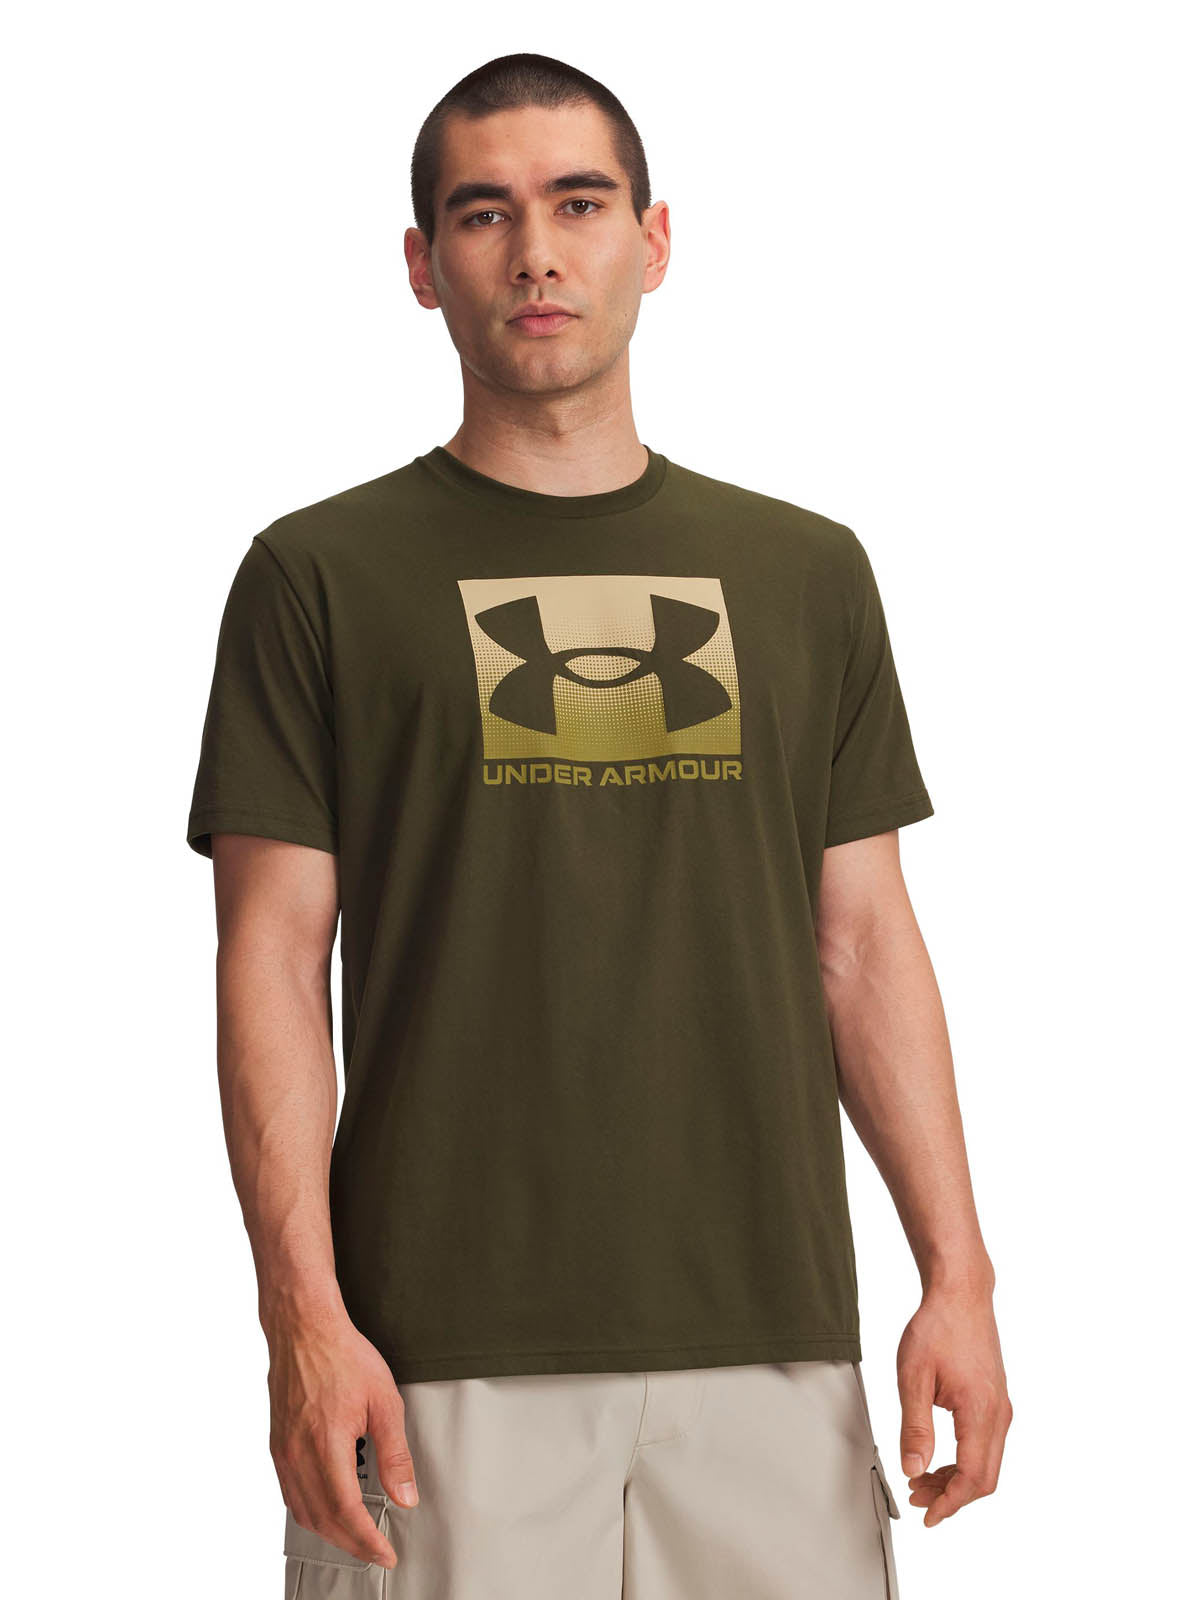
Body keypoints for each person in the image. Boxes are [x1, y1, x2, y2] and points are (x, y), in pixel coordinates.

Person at [186, 51, 1011, 1599]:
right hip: (435, 1361)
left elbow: (862, 944)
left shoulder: (806, 573)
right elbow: (271, 963)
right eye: (483, 214)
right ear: (422, 266)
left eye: (579, 204)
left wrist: (956, 1274)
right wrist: (301, 1320)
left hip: (769, 1343)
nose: (537, 254)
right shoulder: (318, 577)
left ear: (656, 240)